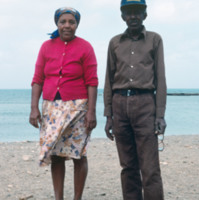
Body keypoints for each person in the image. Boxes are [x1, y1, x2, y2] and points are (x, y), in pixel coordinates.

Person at [29, 7, 98, 200]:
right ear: (57, 23)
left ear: (77, 25)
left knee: (79, 154)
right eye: (63, 22)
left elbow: (92, 82)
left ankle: (77, 198)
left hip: (78, 108)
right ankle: (58, 198)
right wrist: (34, 108)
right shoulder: (46, 46)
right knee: (56, 154)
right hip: (51, 108)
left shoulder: (85, 47)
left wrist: (91, 112)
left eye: (71, 22)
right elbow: (37, 79)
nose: (67, 25)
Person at [104, 0, 167, 200]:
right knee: (128, 166)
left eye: (138, 12)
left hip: (145, 105)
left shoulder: (154, 40)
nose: (133, 16)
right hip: (119, 105)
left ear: (145, 15)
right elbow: (109, 78)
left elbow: (160, 79)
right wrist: (108, 115)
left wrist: (160, 115)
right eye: (129, 12)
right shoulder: (114, 42)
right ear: (123, 16)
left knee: (149, 167)